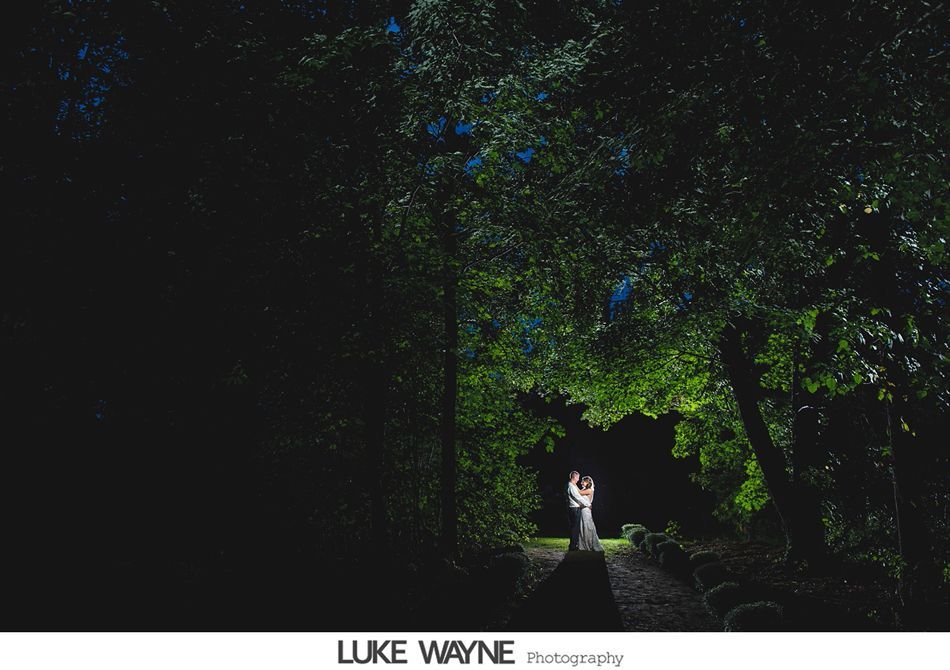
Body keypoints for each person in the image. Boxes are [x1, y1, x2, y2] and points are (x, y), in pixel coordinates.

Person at [576, 476, 604, 552]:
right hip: (583, 509)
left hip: (586, 511)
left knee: (587, 526)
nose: (581, 483)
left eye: (583, 481)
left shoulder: (589, 490)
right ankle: (583, 543)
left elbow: (578, 493)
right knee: (583, 526)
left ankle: (588, 544)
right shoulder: (585, 489)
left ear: (588, 482)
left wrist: (573, 484)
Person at [564, 470, 590, 551]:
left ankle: (574, 544)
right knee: (574, 527)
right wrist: (588, 504)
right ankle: (573, 546)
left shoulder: (571, 485)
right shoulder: (571, 486)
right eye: (578, 477)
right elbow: (577, 497)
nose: (578, 479)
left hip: (573, 508)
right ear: (574, 477)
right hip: (574, 509)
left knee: (574, 527)